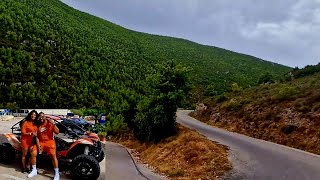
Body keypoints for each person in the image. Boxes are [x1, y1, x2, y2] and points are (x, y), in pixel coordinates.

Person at [32, 112, 60, 180]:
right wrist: (38, 146)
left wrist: (53, 124)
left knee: (53, 156)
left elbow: (57, 132)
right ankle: (34, 170)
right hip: (41, 142)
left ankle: (57, 173)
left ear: (45, 117)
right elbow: (37, 137)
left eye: (42, 117)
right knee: (33, 152)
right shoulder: (38, 125)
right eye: (40, 117)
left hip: (50, 141)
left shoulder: (50, 123)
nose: (41, 118)